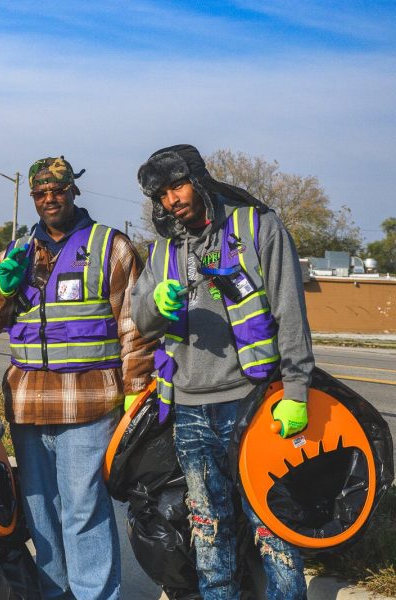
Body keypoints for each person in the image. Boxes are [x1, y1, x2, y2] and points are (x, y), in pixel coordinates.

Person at [133, 144, 314, 599]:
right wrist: (155, 307)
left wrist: (296, 390)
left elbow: (290, 313)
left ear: (199, 179)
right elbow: (139, 317)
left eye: (178, 186)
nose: (172, 200)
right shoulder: (163, 250)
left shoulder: (258, 228)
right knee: (209, 531)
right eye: (162, 195)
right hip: (191, 410)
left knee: (274, 527)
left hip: (254, 403)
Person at [0, 156, 156, 600]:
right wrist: (4, 285)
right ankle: (54, 593)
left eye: (58, 190)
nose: (49, 198)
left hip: (89, 406)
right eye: (41, 193)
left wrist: (135, 394)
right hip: (28, 407)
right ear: (34, 198)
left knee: (83, 509)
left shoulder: (110, 246)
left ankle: (95, 595)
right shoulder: (15, 251)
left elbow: (133, 326)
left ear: (73, 191)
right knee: (40, 512)